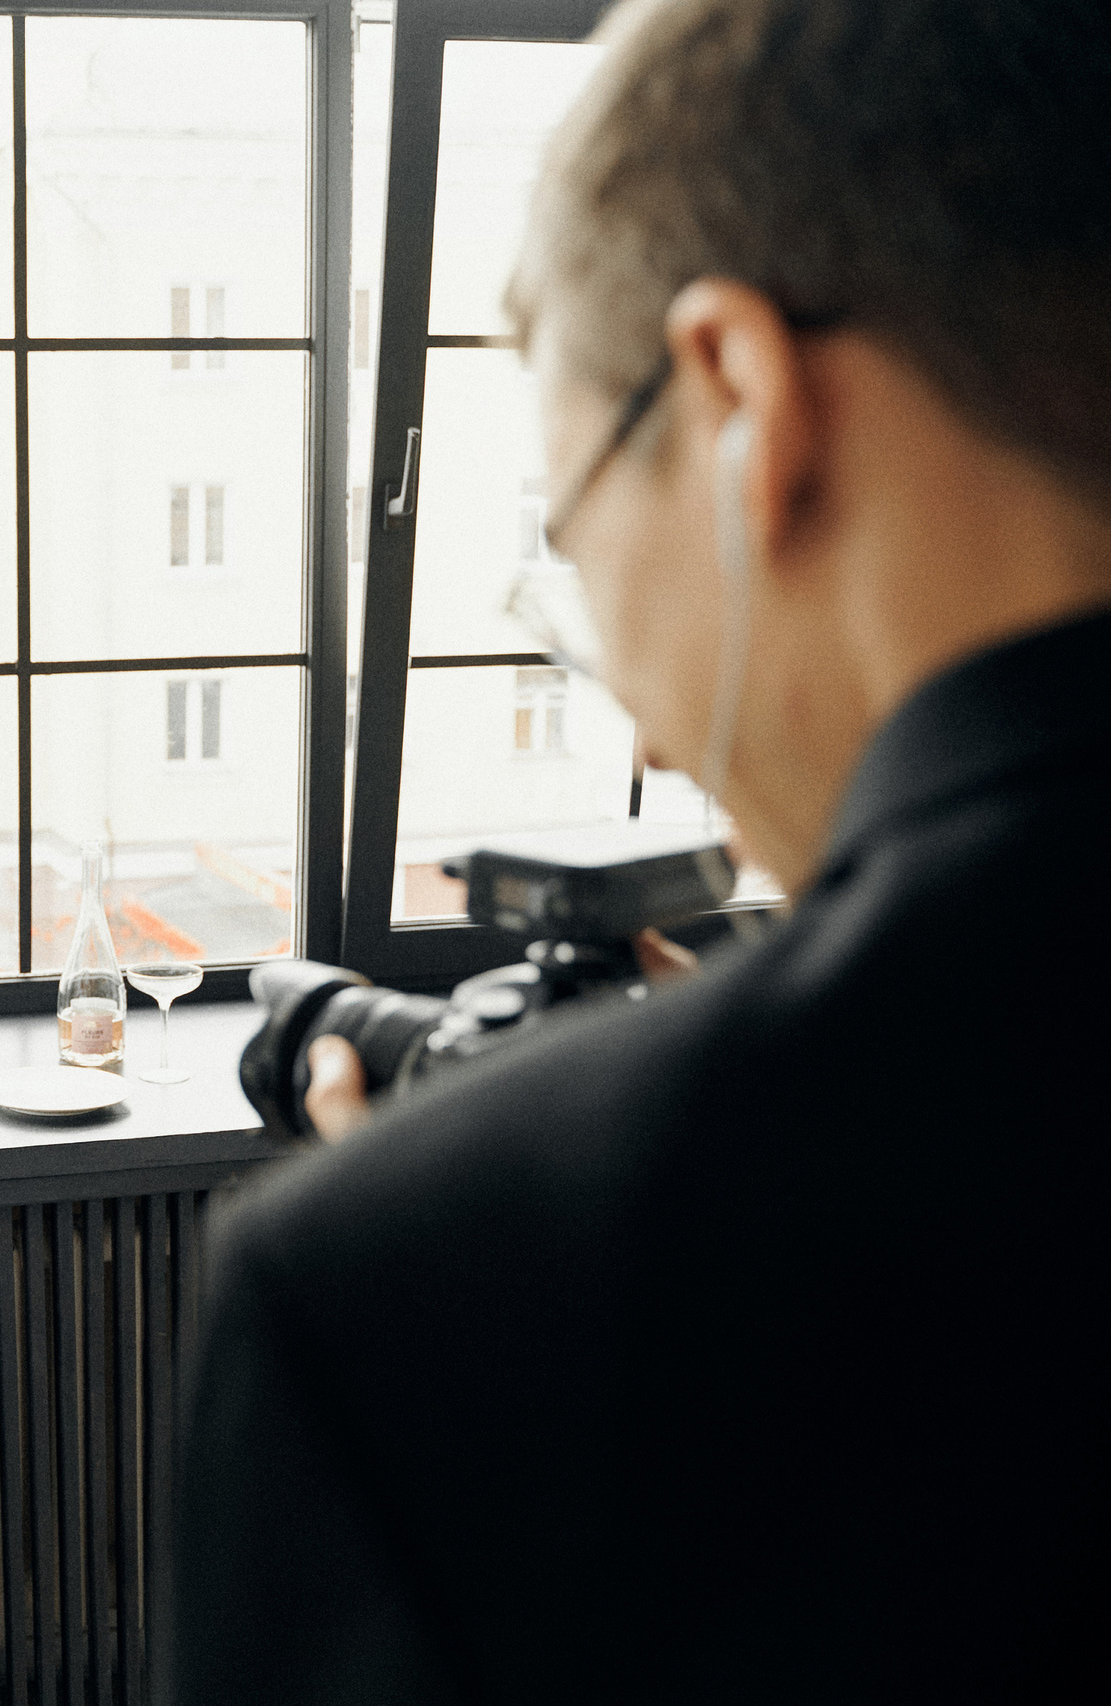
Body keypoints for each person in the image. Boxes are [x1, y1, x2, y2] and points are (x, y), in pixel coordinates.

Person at [175, 0, 1109, 1699]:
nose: (658, 736)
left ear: (745, 396)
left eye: (571, 524)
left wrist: (523, 1184)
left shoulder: (416, 1290)